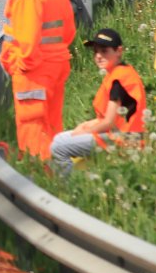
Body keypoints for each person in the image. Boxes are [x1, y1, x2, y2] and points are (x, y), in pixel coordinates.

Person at [0, 0, 76, 159]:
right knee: (52, 124)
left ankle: (40, 170)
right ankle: (57, 167)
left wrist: (20, 66)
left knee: (33, 127)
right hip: (57, 64)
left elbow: (27, 41)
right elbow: (69, 31)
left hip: (35, 71)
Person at [49, 27, 147, 176]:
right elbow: (108, 118)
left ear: (119, 51)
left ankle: (68, 185)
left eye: (104, 51)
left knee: (58, 147)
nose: (99, 56)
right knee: (59, 138)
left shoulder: (119, 79)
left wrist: (85, 131)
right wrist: (85, 125)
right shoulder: (118, 73)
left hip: (125, 140)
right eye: (96, 52)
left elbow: (109, 122)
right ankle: (67, 178)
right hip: (117, 135)